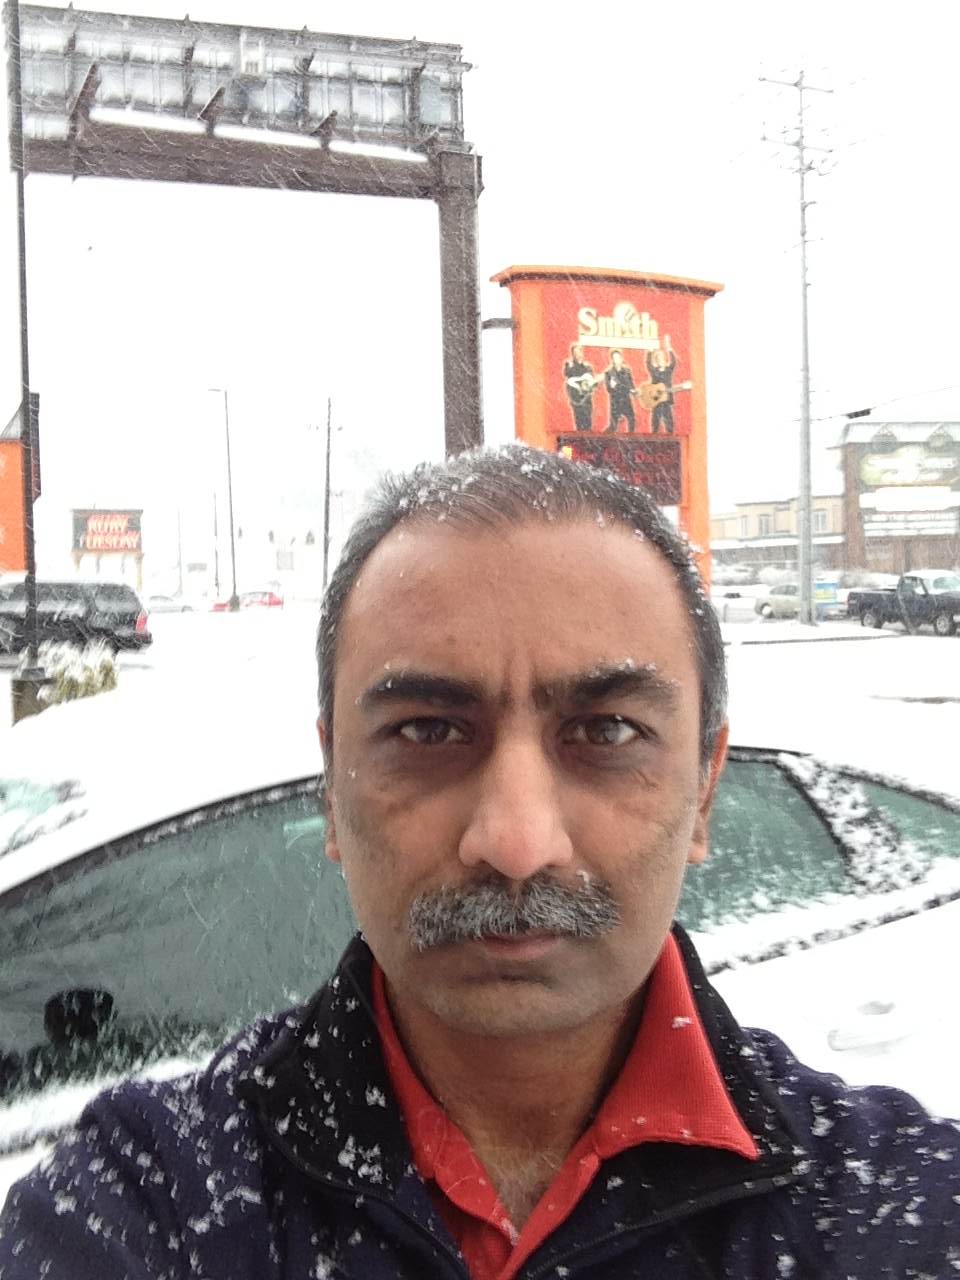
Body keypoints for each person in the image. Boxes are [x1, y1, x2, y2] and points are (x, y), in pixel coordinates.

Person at [1, 444, 958, 1279]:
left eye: (607, 731)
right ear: (332, 787)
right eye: (428, 730)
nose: (516, 843)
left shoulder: (899, 1209)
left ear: (703, 789)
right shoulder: (151, 1198)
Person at [646, 334, 678, 435]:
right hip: (656, 400)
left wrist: (669, 348)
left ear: (665, 359)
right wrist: (650, 351)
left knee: (669, 423)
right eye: (659, 359)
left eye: (662, 359)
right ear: (657, 361)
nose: (661, 361)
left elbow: (674, 362)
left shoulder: (668, 370)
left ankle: (670, 437)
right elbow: (648, 364)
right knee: (655, 423)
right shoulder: (654, 371)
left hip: (666, 401)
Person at [562, 343, 598, 431]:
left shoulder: (587, 366)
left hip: (586, 398)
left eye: (579, 352)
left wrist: (592, 385)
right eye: (575, 352)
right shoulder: (569, 364)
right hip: (576, 398)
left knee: (588, 421)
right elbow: (567, 374)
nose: (577, 354)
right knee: (578, 420)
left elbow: (592, 381)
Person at [603, 349, 638, 433]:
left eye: (618, 357)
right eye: (615, 358)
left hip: (626, 400)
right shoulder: (608, 373)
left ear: (622, 358)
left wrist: (633, 391)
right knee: (613, 426)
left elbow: (631, 385)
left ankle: (631, 439)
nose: (617, 360)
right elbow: (609, 389)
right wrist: (612, 386)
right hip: (615, 401)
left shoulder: (627, 371)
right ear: (612, 360)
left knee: (632, 420)